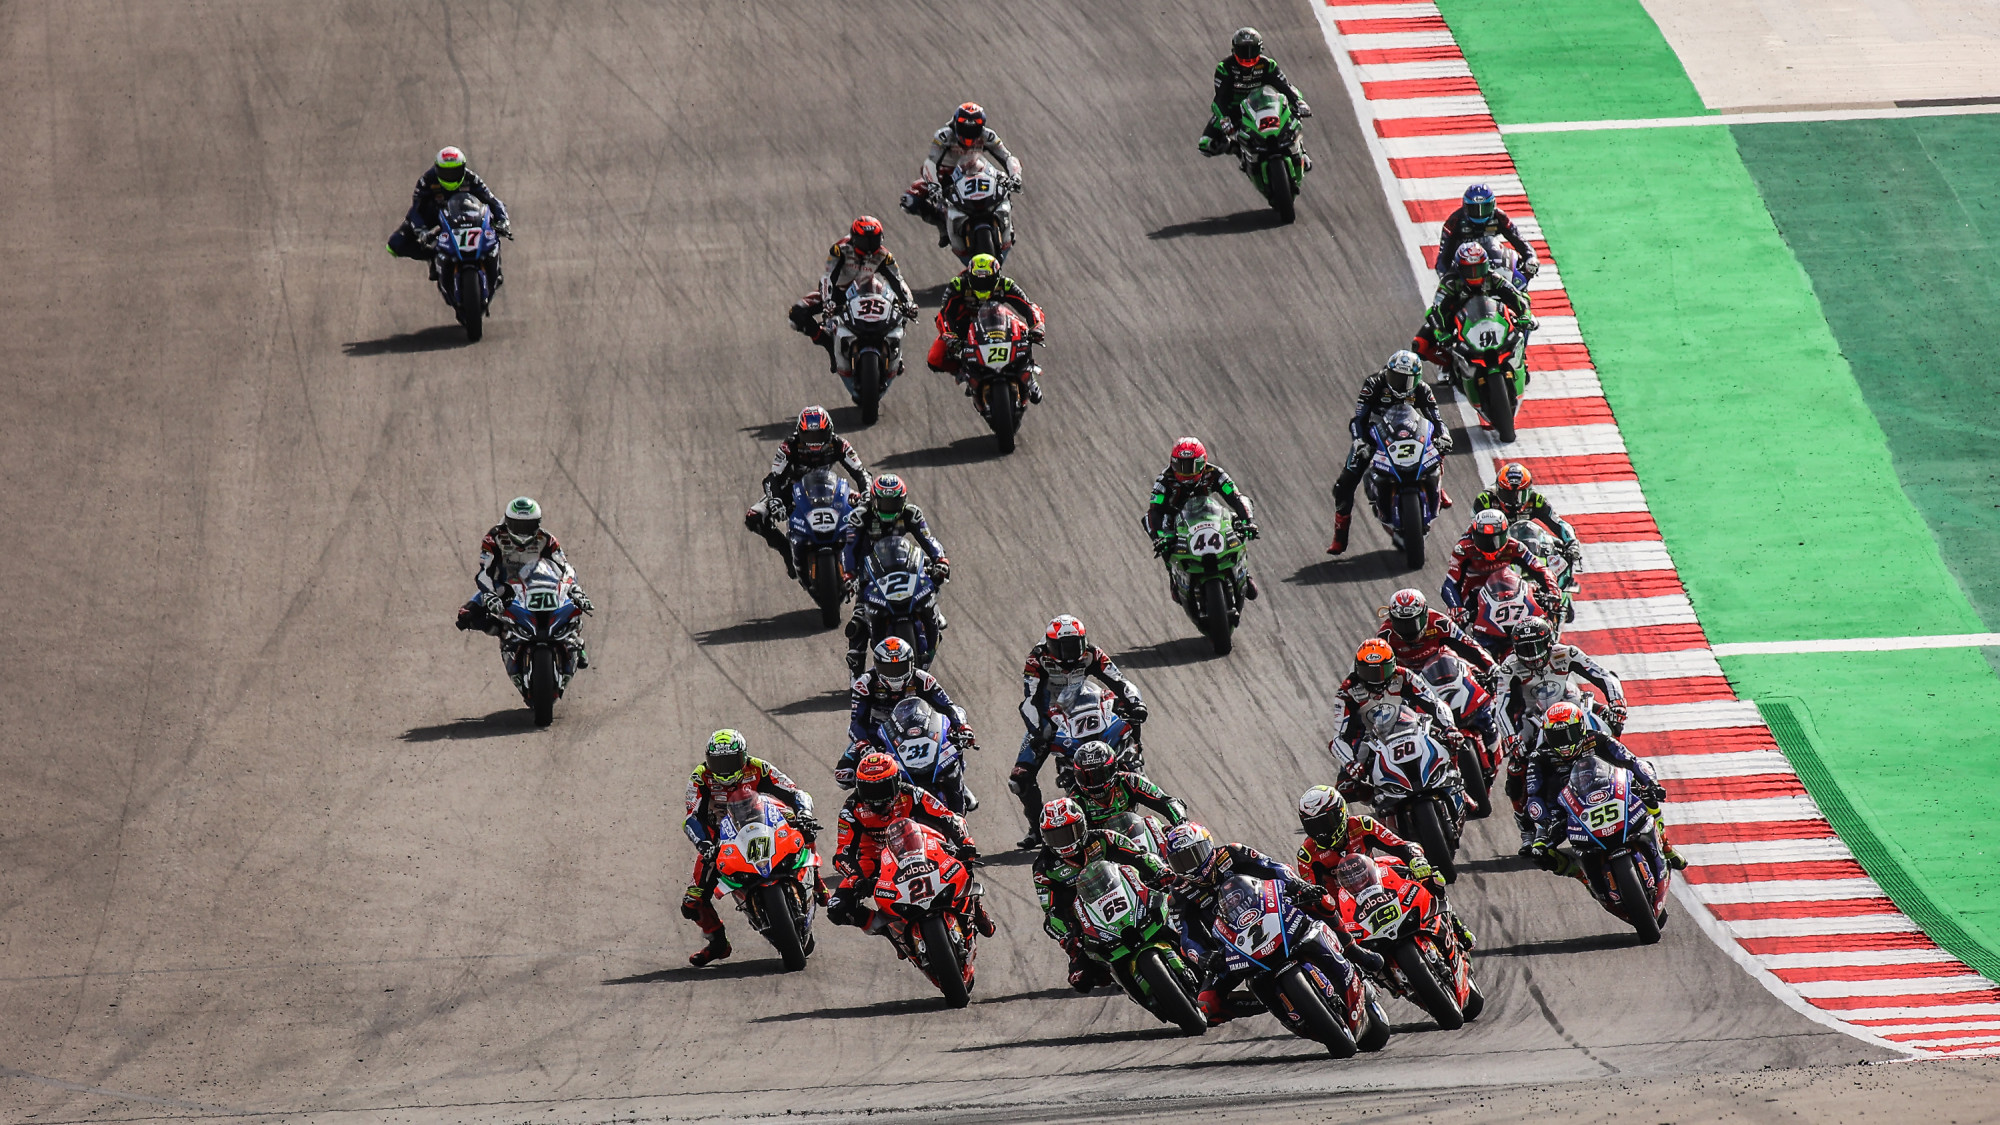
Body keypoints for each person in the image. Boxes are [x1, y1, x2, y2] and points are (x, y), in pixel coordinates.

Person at [1163, 823, 1380, 1025]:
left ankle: (1355, 952)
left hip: (1275, 913)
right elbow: (1186, 936)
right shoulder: (1179, 893)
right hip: (1235, 946)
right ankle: (1269, 1002)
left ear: (1208, 846)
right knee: (1206, 1005)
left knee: (1320, 900)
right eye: (1180, 861)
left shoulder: (1232, 853)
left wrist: (1298, 886)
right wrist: (1203, 957)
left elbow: (1273, 867)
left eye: (1193, 855)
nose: (1189, 866)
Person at [681, 730, 821, 967]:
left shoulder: (759, 768)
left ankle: (816, 880)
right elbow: (691, 818)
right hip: (723, 841)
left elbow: (796, 792)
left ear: (743, 757)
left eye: (730, 762)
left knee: (803, 828)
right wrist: (703, 844)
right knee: (692, 901)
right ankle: (718, 943)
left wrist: (805, 813)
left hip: (764, 825)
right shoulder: (700, 777)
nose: (724, 769)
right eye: (718, 762)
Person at [1012, 615, 1148, 848]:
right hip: (1048, 716)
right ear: (1049, 644)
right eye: (1061, 647)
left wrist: (1136, 703)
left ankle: (1134, 754)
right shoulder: (1037, 659)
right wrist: (1038, 732)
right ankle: (1036, 830)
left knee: (1129, 714)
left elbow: (1118, 679)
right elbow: (1029, 699)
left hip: (1085, 703)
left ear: (1084, 642)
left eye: (1074, 645)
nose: (1068, 653)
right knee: (1019, 778)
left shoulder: (1092, 653)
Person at [1492, 616, 1627, 848]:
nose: (1532, 655)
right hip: (1532, 714)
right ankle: (1527, 826)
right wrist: (1511, 737)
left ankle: (1630, 780)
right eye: (1525, 648)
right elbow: (1500, 707)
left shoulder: (1567, 653)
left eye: (1536, 647)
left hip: (1570, 701)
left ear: (1549, 642)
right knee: (1518, 765)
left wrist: (1617, 702)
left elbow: (1604, 675)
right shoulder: (1509, 667)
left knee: (1610, 726)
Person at [1295, 785, 1476, 952]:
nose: (1321, 832)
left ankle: (1455, 923)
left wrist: (1416, 860)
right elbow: (1313, 892)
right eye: (1313, 826)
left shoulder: (1362, 825)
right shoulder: (1307, 855)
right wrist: (1318, 904)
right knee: (1328, 936)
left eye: (1325, 822)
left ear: (1341, 812)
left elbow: (1400, 846)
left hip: (1375, 880)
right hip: (1343, 904)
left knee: (1425, 873)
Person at [827, 752, 990, 935]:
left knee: (960, 860)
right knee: (836, 909)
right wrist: (856, 879)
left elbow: (947, 816)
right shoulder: (850, 810)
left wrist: (966, 842)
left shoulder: (912, 793)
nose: (877, 799)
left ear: (896, 782)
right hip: (874, 860)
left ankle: (974, 904)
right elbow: (843, 854)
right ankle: (891, 932)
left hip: (916, 845)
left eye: (883, 789)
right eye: (869, 790)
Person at [1032, 798, 1176, 991]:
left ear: (1082, 825)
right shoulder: (1044, 868)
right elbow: (1051, 912)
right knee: (1080, 980)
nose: (1064, 841)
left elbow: (1140, 856)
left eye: (1069, 832)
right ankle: (1121, 978)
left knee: (1180, 904)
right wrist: (1067, 937)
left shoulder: (1105, 838)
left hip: (1130, 898)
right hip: (1090, 921)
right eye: (1055, 837)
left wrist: (1161, 872)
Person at [1524, 703, 1686, 872]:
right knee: (1540, 852)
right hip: (1564, 811)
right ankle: (1580, 875)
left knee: (1649, 797)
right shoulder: (1539, 757)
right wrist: (1548, 820)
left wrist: (1651, 783)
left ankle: (1665, 846)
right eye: (1556, 737)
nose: (1564, 743)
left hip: (1610, 793)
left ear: (1581, 728)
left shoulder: (1598, 739)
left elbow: (1632, 761)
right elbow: (1533, 796)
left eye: (1569, 734)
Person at [1327, 350, 1455, 555]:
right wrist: (1360, 442)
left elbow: (1437, 419)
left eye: (1405, 380)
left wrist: (1444, 437)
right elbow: (1358, 419)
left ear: (1417, 378)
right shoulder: (1373, 384)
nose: (1399, 384)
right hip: (1376, 432)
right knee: (1345, 484)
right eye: (1395, 377)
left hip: (1411, 430)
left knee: (1438, 444)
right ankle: (1340, 536)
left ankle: (1438, 486)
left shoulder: (1423, 389)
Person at [454, 496, 595, 669]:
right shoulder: (493, 539)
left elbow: (565, 567)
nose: (523, 532)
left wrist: (575, 589)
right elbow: (485, 573)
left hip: (539, 581)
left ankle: (576, 641)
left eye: (528, 526)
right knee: (465, 615)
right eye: (517, 525)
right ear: (507, 522)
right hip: (504, 585)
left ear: (538, 523)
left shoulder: (547, 539)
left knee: (574, 602)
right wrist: (490, 595)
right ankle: (503, 631)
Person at [840, 474, 950, 674]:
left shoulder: (911, 514)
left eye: (894, 502)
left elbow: (928, 540)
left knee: (932, 578)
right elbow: (849, 548)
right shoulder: (860, 516)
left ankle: (932, 612)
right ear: (873, 500)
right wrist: (848, 575)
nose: (889, 507)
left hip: (903, 564)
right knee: (859, 620)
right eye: (884, 502)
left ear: (903, 500)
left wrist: (940, 560)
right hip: (869, 572)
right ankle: (856, 675)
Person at [744, 406, 871, 579]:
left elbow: (861, 472)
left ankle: (869, 563)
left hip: (830, 487)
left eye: (819, 435)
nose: (814, 443)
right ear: (799, 433)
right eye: (809, 436)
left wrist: (866, 494)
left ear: (830, 431)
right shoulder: (789, 446)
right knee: (754, 517)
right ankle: (787, 551)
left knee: (871, 511)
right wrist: (775, 501)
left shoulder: (840, 444)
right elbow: (772, 479)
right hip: (793, 489)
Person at [1330, 638, 1466, 797]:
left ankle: (1459, 786)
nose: (1377, 679)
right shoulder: (1347, 691)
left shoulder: (1404, 675)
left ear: (1393, 665)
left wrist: (1449, 728)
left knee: (1452, 740)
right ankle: (1378, 798)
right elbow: (1339, 737)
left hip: (1410, 724)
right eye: (1370, 672)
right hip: (1368, 739)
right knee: (1345, 788)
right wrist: (1350, 763)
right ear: (1358, 669)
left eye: (1383, 671)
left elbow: (1433, 703)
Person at [787, 216, 920, 373]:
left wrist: (909, 302)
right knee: (796, 315)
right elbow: (828, 277)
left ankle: (895, 352)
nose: (870, 247)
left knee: (901, 311)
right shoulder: (840, 249)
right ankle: (829, 344)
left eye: (875, 240)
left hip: (869, 291)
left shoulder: (884, 255)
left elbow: (897, 280)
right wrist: (828, 301)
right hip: (839, 292)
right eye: (865, 241)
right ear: (855, 239)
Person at [838, 637, 973, 786]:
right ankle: (868, 797)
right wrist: (863, 745)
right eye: (888, 669)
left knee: (957, 740)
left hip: (918, 727)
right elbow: (856, 722)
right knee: (843, 774)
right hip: (878, 732)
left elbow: (948, 706)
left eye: (900, 667)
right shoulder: (865, 683)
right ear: (876, 666)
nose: (894, 674)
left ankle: (959, 782)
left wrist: (963, 726)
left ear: (911, 664)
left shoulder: (923, 679)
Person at [1144, 438, 1260, 599]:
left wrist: (1248, 523)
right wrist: (1160, 537)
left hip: (1208, 512)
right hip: (1177, 518)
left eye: (1192, 467)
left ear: (1203, 462)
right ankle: (1173, 574)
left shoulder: (1215, 473)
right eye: (1181, 466)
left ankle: (1243, 571)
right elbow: (1154, 511)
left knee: (1236, 520)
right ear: (1173, 463)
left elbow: (1235, 497)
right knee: (1150, 523)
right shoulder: (1163, 481)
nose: (1186, 472)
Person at [927, 253, 1046, 403]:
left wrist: (1037, 326)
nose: (982, 286)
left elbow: (1028, 306)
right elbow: (945, 314)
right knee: (935, 358)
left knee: (1024, 331)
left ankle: (1028, 372)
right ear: (970, 276)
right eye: (977, 281)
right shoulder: (958, 284)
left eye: (987, 280)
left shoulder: (1006, 284)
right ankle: (964, 371)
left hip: (1000, 322)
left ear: (996, 277)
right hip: (964, 327)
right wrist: (950, 335)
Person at [900, 102, 1024, 247]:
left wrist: (1015, 176)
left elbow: (1007, 157)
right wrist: (934, 184)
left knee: (1004, 181)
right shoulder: (943, 136)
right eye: (964, 128)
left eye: (974, 129)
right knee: (909, 200)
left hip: (975, 168)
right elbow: (931, 163)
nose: (969, 133)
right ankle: (942, 225)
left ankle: (1008, 223)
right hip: (945, 175)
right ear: (956, 124)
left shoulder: (988, 135)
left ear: (981, 126)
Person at [385, 146, 511, 275]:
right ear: (437, 169)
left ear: (462, 168)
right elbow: (415, 209)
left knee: (493, 232)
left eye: (455, 171)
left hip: (466, 213)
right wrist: (421, 230)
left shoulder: (471, 178)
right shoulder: (427, 180)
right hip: (436, 215)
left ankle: (495, 268)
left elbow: (493, 201)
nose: (450, 177)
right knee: (394, 246)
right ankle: (435, 256)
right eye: (445, 172)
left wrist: (503, 220)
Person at [1412, 243, 1537, 370]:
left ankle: (1518, 356)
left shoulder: (1492, 277)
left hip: (1491, 315)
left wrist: (1525, 314)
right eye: (1469, 271)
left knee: (1521, 319)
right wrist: (1440, 332)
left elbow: (1516, 296)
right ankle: (1452, 365)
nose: (1475, 275)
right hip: (1456, 322)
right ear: (1459, 268)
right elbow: (1435, 311)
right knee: (1420, 345)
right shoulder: (1450, 283)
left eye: (1479, 269)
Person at [1198, 28, 1312, 161]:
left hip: (1263, 104)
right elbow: (1220, 99)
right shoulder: (1225, 68)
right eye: (1243, 51)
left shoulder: (1267, 65)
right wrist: (1225, 119)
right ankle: (1235, 148)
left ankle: (1301, 151)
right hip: (1235, 110)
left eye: (1252, 51)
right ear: (1234, 50)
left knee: (1294, 108)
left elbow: (1285, 86)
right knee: (1206, 144)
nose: (1248, 56)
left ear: (1260, 49)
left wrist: (1299, 102)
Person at [1441, 508, 1564, 621]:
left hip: (1509, 596)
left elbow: (1540, 569)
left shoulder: (1515, 546)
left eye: (1495, 539)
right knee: (1457, 629)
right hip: (1474, 600)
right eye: (1483, 539)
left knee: (1544, 610)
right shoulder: (1463, 549)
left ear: (1505, 535)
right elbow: (1450, 583)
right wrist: (1457, 608)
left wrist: (1553, 590)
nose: (1490, 545)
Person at [1474, 463, 1582, 571]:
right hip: (1495, 545)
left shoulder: (1536, 500)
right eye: (1507, 494)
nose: (1513, 501)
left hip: (1523, 543)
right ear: (1498, 489)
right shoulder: (1486, 500)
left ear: (1529, 491)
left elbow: (1558, 523)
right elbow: (1473, 530)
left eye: (1520, 495)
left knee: (1555, 545)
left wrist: (1572, 542)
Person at [1066, 740, 1188, 827]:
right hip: (1103, 855)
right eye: (1086, 777)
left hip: (1137, 840)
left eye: (1099, 775)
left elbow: (1167, 801)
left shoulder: (1130, 781)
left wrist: (1182, 823)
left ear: (1113, 769)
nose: (1094, 783)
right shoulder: (1075, 801)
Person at [1433, 183, 1538, 280]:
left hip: (1493, 264)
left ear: (1493, 205)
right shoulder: (1454, 222)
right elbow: (1444, 255)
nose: (1480, 214)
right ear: (1465, 207)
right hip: (1465, 267)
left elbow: (1518, 238)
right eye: (1474, 209)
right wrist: (1444, 275)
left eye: (1485, 208)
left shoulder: (1500, 217)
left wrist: (1530, 257)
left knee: (1519, 265)